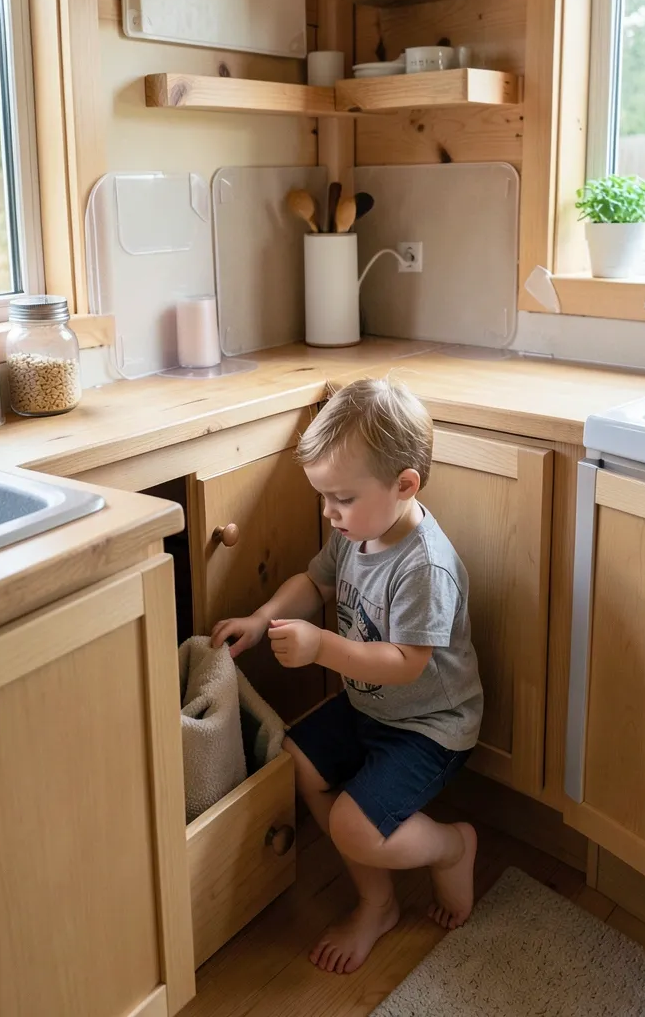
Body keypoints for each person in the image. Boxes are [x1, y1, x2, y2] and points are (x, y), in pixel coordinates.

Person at [211, 376, 483, 975]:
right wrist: (262, 619)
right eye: (323, 497)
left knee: (350, 826)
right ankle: (377, 903)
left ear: (404, 485)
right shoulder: (357, 532)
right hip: (371, 708)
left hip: (430, 726)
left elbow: (407, 666)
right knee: (296, 759)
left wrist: (322, 647)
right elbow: (314, 584)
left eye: (342, 498)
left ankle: (451, 845)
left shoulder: (424, 565)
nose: (329, 513)